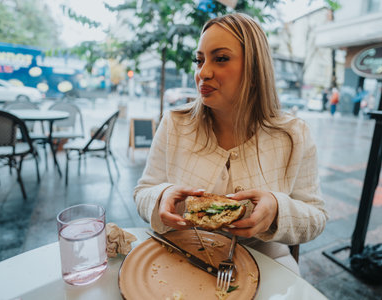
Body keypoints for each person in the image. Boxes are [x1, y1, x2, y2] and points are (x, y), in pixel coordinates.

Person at [134, 13, 328, 274]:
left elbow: (316, 217)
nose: (203, 72)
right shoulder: (174, 124)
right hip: (183, 251)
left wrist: (277, 210)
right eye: (199, 60)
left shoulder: (293, 135)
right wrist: (161, 197)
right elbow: (143, 191)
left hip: (263, 258)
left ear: (255, 68)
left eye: (221, 59)